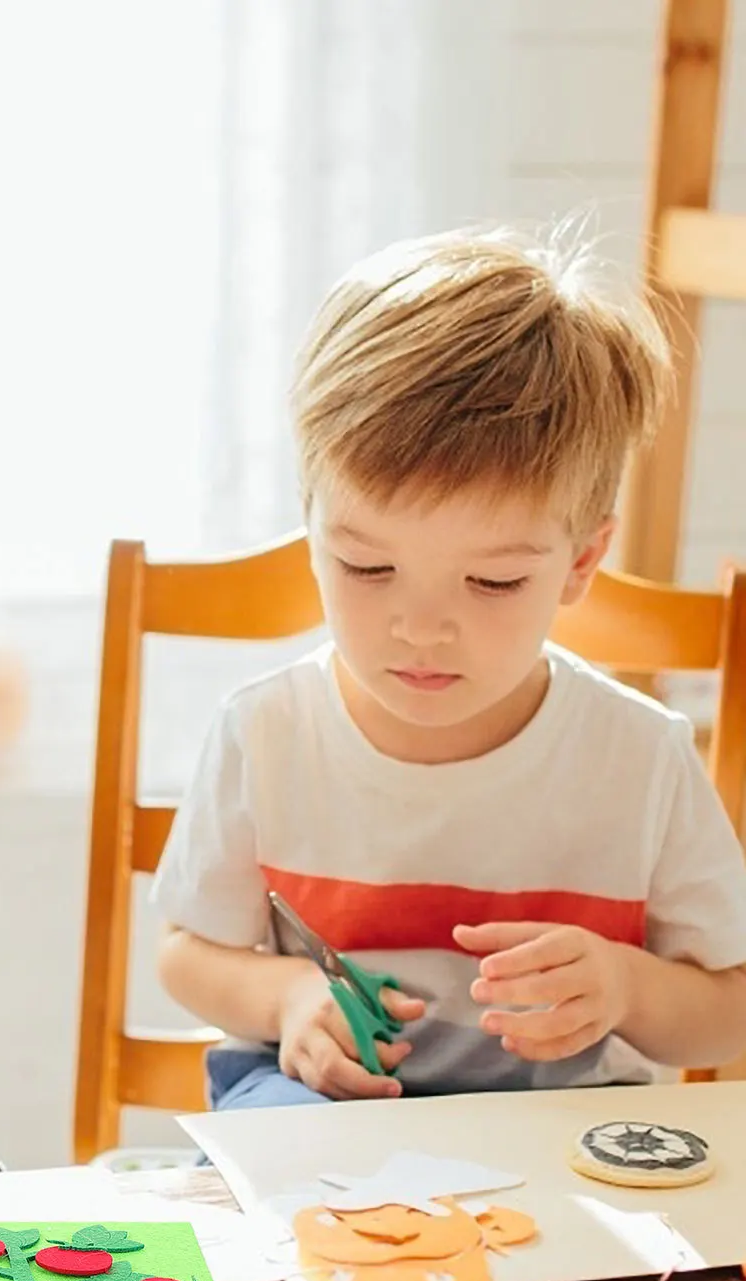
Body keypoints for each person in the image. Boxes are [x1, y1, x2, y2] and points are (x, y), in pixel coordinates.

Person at [153, 227, 746, 1110]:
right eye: (367, 567)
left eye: (492, 581)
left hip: (563, 1124)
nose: (422, 629)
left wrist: (627, 988)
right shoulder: (267, 731)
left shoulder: (640, 757)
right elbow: (185, 954)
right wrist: (290, 998)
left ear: (581, 562)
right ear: (312, 531)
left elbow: (728, 1013)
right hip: (317, 1106)